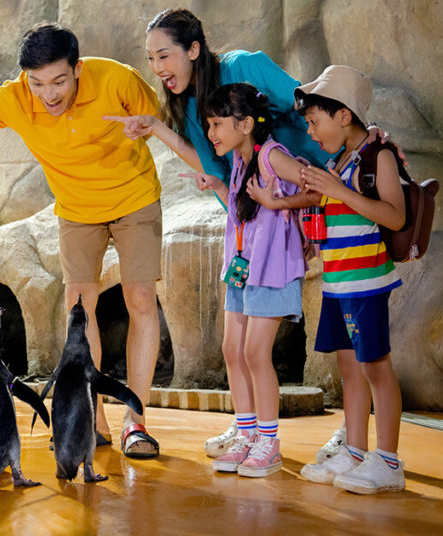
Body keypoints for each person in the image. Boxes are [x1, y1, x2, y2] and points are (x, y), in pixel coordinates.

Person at [0, 23, 163, 459]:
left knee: (140, 299)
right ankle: (91, 419)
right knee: (79, 310)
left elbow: (161, 119)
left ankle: (135, 423)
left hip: (135, 199)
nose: (48, 94)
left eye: (59, 81)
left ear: (77, 68)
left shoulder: (117, 79)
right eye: (37, 83)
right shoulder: (14, 98)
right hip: (76, 210)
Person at [106, 7, 344, 459]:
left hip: (317, 195)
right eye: (150, 59)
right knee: (238, 348)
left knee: (344, 315)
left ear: (194, 49)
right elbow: (215, 166)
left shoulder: (243, 70)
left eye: (164, 55)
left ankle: (345, 437)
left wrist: (360, 149)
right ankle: (248, 427)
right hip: (256, 233)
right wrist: (156, 128)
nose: (157, 68)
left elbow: (308, 107)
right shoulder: (187, 106)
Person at [189, 83, 317, 477]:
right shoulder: (240, 161)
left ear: (245, 124)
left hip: (272, 268)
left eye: (217, 123)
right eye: (209, 124)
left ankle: (268, 442)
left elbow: (315, 191)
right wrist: (218, 186)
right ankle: (245, 434)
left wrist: (277, 202)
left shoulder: (272, 155)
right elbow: (249, 214)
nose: (211, 132)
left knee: (255, 353)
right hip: (243, 268)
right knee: (233, 350)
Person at [294, 65, 407, 494]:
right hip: (338, 283)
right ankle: (355, 451)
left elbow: (394, 216)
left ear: (344, 115)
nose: (310, 131)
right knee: (348, 367)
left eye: (314, 121)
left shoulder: (379, 156)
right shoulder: (337, 160)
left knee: (375, 366)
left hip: (367, 283)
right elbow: (340, 215)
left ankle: (389, 461)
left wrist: (338, 191)